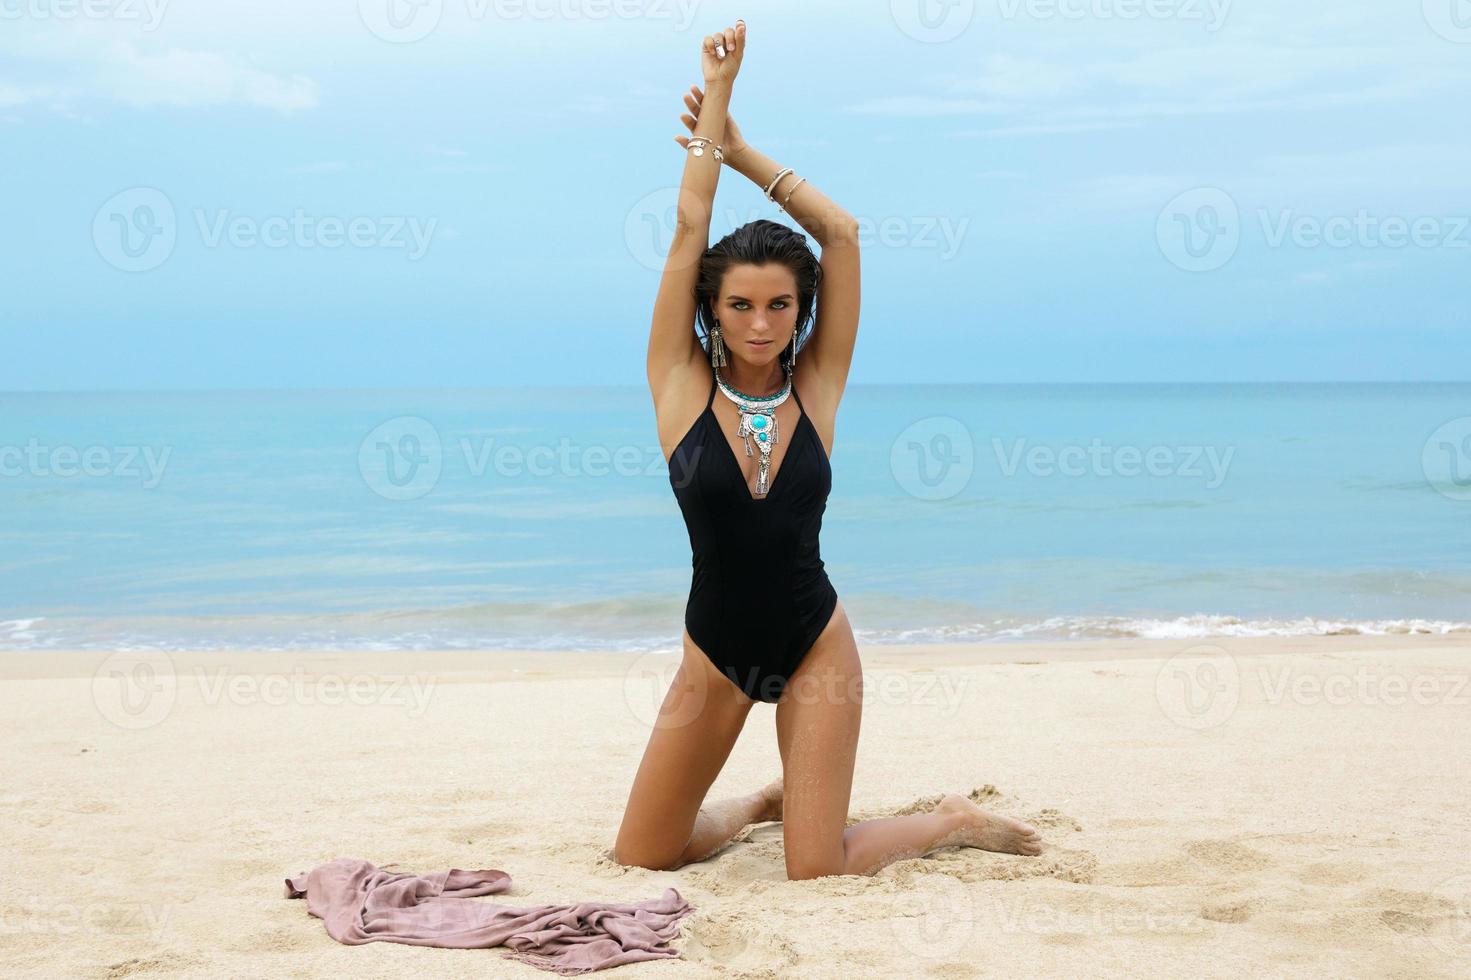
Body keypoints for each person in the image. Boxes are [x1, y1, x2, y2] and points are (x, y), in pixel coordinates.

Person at [614, 20, 1042, 881]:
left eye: (779, 306)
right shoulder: (678, 383)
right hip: (714, 647)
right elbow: (687, 224)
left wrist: (746, 155)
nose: (762, 324)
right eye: (740, 306)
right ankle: (758, 804)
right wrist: (715, 104)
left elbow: (840, 235)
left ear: (800, 312)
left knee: (816, 871)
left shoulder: (816, 387)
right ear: (712, 310)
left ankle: (945, 820)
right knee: (640, 857)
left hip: (813, 641)